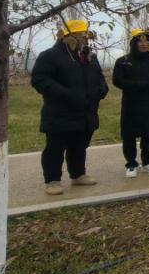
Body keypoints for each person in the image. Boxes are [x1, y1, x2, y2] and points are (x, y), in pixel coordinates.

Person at [31, 19, 108, 196]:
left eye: (84, 35)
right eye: (78, 35)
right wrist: (67, 94)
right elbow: (40, 80)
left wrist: (102, 90)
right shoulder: (50, 56)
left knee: (79, 145)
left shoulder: (89, 56)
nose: (83, 39)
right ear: (66, 36)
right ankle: (52, 180)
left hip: (86, 111)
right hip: (60, 112)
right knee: (55, 148)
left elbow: (99, 76)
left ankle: (78, 174)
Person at [113, 29, 149, 177]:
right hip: (131, 104)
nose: (144, 44)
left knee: (148, 134)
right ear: (134, 43)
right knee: (129, 135)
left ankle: (147, 162)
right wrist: (136, 85)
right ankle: (131, 164)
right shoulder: (124, 61)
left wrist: (147, 85)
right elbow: (117, 81)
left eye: (147, 42)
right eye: (140, 41)